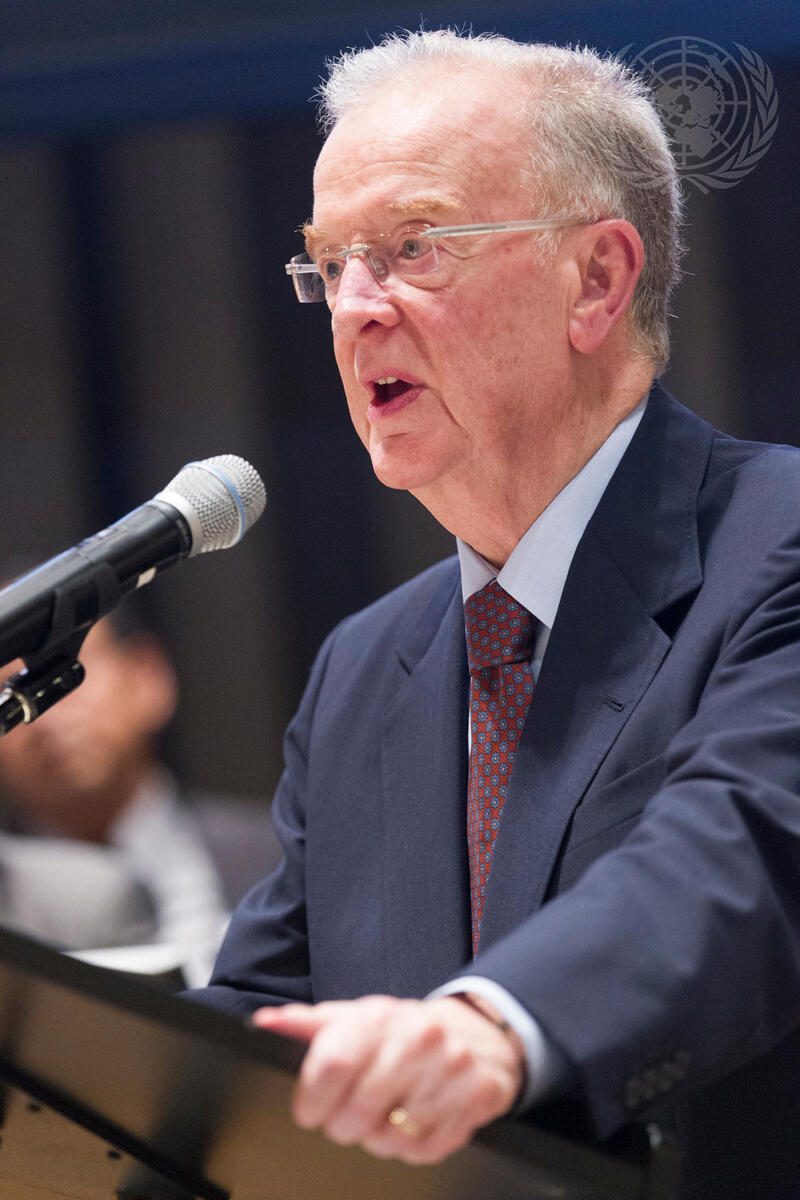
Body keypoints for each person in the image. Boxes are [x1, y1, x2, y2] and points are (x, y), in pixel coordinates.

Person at [188, 30, 800, 1198]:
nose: (353, 309)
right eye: (329, 263)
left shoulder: (776, 547)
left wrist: (494, 1027)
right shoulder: (365, 667)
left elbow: (738, 862)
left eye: (411, 249)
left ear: (596, 280)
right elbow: (262, 1031)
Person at [0, 611, 282, 984]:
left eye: (63, 679)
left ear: (148, 678)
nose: (44, 720)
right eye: (9, 696)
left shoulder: (284, 857)